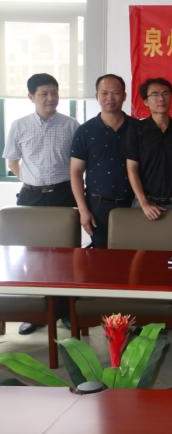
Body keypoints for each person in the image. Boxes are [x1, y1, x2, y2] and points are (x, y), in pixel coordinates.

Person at [2, 73, 78, 335]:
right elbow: (12, 160)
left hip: (63, 194)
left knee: (65, 257)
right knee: (32, 257)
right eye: (44, 93)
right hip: (31, 196)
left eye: (54, 92)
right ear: (31, 96)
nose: (50, 98)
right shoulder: (19, 125)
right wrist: (31, 181)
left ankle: (65, 311)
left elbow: (77, 163)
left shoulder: (71, 125)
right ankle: (35, 313)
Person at [70, 74, 134, 248]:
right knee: (101, 256)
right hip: (98, 206)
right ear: (96, 95)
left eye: (116, 93)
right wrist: (83, 210)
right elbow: (76, 172)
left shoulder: (138, 128)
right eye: (104, 93)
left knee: (135, 255)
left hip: (134, 205)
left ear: (124, 96)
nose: (110, 98)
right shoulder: (85, 131)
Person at [126, 77, 172, 220]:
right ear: (146, 101)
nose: (161, 99)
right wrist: (144, 203)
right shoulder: (136, 130)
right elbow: (131, 168)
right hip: (145, 203)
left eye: (165, 93)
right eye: (155, 94)